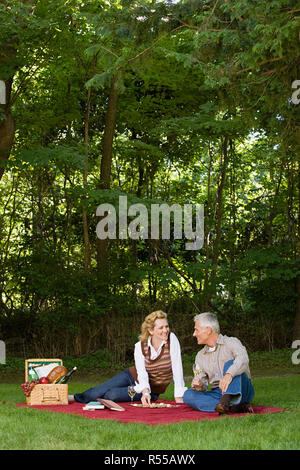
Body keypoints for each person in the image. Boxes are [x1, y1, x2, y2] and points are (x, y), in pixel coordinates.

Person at [71, 310, 187, 406]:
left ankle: (100, 400)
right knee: (97, 392)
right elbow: (142, 373)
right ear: (151, 330)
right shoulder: (140, 346)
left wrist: (178, 395)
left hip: (151, 390)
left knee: (112, 395)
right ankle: (74, 398)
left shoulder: (172, 340)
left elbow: (177, 368)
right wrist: (145, 391)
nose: (165, 330)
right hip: (132, 377)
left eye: (166, 326)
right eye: (161, 328)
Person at [183, 312, 255, 414]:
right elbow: (203, 384)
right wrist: (199, 386)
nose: (194, 334)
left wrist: (229, 374)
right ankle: (235, 407)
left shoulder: (231, 342)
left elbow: (243, 359)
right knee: (188, 395)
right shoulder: (200, 356)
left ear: (208, 330)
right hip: (218, 392)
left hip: (241, 389)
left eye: (196, 330)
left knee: (230, 364)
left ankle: (226, 402)